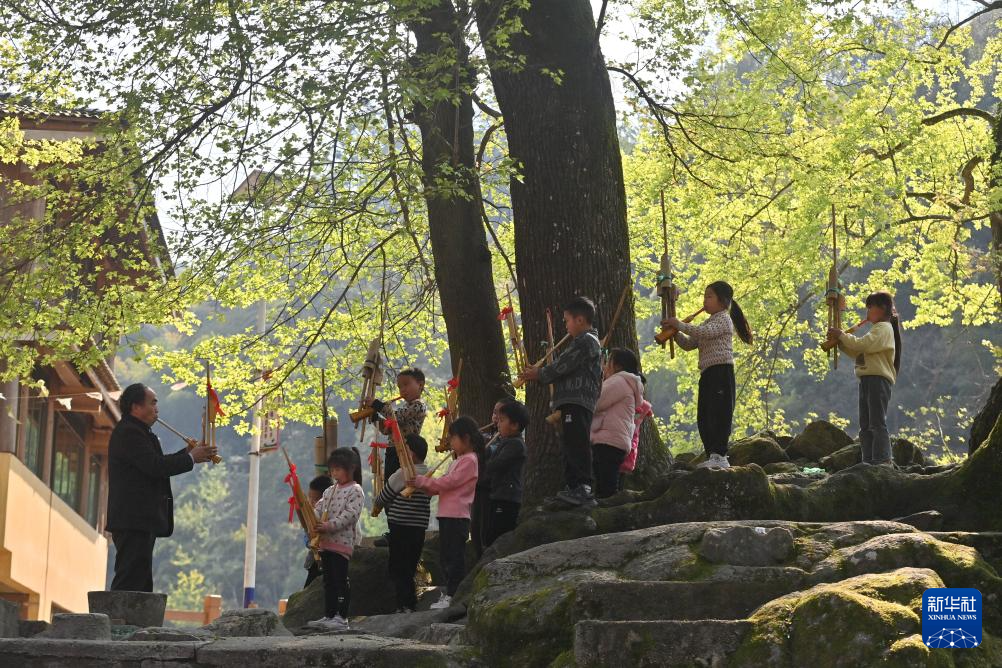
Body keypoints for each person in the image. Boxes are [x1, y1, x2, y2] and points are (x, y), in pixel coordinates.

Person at [106, 383, 217, 592]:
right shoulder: (129, 432)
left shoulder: (138, 432)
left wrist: (188, 454)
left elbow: (156, 464)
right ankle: (120, 613)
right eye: (152, 403)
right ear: (135, 407)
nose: (157, 408)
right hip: (133, 518)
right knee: (130, 579)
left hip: (139, 519)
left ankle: (133, 613)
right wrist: (190, 458)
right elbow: (155, 466)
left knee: (139, 579)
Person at [520, 296, 602, 507]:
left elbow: (563, 365)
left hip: (578, 401)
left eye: (567, 321)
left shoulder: (587, 341)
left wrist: (539, 373)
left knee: (577, 443)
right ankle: (573, 487)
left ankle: (583, 488)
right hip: (571, 402)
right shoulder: (581, 342)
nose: (566, 326)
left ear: (580, 320)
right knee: (569, 444)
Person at [663, 281, 753, 469]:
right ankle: (712, 453)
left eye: (709, 296)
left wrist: (679, 324)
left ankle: (720, 455)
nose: (705, 301)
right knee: (704, 415)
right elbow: (689, 344)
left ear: (723, 301)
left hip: (721, 372)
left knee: (719, 413)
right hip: (707, 373)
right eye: (705, 296)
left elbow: (704, 332)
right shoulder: (708, 321)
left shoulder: (723, 319)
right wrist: (674, 333)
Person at [408, 416, 482, 610]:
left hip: (457, 515)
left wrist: (423, 482)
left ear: (466, 438)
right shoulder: (458, 460)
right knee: (446, 556)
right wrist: (424, 486)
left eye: (453, 438)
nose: (450, 442)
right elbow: (444, 486)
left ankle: (454, 594)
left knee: (454, 556)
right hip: (448, 514)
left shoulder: (470, 460)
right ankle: (450, 592)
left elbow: (449, 483)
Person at [828, 291, 902, 465]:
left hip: (878, 380)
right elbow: (859, 352)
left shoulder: (884, 328)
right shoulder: (877, 330)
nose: (867, 312)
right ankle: (868, 460)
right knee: (866, 424)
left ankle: (882, 459)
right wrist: (840, 342)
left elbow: (863, 345)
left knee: (876, 422)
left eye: (870, 308)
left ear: (882, 308)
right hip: (868, 379)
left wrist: (842, 336)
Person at [307, 448, 365, 631]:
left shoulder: (356, 491)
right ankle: (329, 614)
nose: (334, 474)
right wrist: (311, 518)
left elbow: (350, 515)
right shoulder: (329, 491)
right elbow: (318, 509)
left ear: (351, 468)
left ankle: (341, 617)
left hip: (342, 543)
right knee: (328, 581)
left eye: (338, 469)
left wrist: (328, 525)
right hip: (326, 543)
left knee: (340, 579)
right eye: (332, 470)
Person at [372, 434, 431, 613]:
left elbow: (384, 496)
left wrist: (377, 503)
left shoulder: (403, 473)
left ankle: (403, 604)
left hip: (400, 526)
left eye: (402, 450)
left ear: (410, 454)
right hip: (419, 527)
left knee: (398, 566)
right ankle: (410, 603)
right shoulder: (428, 473)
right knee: (410, 564)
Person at [590, 348, 645, 498]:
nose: (605, 365)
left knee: (607, 485)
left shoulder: (619, 381)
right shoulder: (626, 382)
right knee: (605, 481)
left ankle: (610, 508)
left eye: (609, 361)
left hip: (609, 440)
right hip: (614, 439)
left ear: (618, 366)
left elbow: (596, 402)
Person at [369, 367, 428, 482]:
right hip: (392, 449)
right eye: (400, 387)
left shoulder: (418, 406)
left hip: (406, 451)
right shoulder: (405, 407)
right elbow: (387, 430)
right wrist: (375, 418)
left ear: (420, 385)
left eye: (406, 384)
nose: (403, 390)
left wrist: (378, 405)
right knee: (390, 481)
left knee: (400, 483)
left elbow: (397, 416)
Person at [484, 400, 529, 546]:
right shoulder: (506, 442)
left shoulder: (516, 444)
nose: (498, 423)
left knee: (498, 536)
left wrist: (481, 464)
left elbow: (497, 464)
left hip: (507, 498)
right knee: (490, 534)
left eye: (502, 420)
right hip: (498, 495)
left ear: (514, 425)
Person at [472, 399, 507, 558]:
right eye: (494, 412)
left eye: (500, 413)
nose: (495, 416)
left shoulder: (506, 438)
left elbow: (492, 453)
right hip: (477, 485)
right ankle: (477, 557)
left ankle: (486, 558)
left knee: (486, 527)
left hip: (492, 489)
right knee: (475, 525)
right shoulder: (484, 434)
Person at [619, 386, 653, 492]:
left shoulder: (625, 400)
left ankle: (615, 489)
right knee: (625, 465)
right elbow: (650, 414)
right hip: (633, 436)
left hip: (621, 432)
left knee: (616, 463)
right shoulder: (645, 406)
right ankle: (620, 489)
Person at [303, 475, 332, 588]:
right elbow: (307, 539)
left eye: (315, 500)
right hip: (314, 562)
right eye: (309, 498)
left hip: (326, 561)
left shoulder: (330, 516)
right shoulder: (311, 516)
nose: (311, 503)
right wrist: (311, 541)